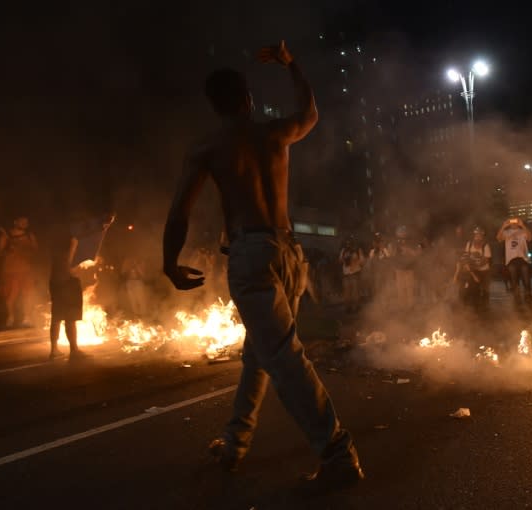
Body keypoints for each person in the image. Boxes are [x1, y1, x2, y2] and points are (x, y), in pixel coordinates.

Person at [162, 40, 363, 489]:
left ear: (214, 106)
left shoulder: (207, 147)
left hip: (252, 256)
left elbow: (179, 212)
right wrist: (292, 66)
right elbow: (310, 113)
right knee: (260, 353)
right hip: (290, 253)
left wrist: (169, 263)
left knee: (284, 358)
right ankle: (234, 444)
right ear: (248, 99)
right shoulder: (274, 133)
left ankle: (336, 454)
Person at [48, 226, 85, 360]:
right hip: (68, 284)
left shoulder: (55, 247)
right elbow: (70, 268)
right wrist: (74, 247)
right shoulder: (70, 247)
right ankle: (74, 350)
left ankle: (53, 350)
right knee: (70, 318)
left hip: (55, 282)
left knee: (56, 317)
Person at [0, 216, 38, 327]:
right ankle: (10, 317)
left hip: (26, 270)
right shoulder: (6, 235)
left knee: (28, 294)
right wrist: (9, 250)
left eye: (26, 222)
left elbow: (35, 251)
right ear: (15, 222)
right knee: (11, 295)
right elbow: (0, 252)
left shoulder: (30, 236)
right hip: (10, 271)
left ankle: (27, 317)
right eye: (22, 221)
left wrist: (25, 251)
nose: (25, 223)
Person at [496, 218, 532, 307]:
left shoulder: (522, 231)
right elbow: (498, 238)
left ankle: (528, 296)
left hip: (523, 258)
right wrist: (503, 226)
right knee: (514, 280)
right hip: (511, 259)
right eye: (512, 222)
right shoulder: (506, 232)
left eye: (516, 221)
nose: (514, 223)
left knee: (526, 279)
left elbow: (530, 237)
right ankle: (517, 299)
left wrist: (522, 225)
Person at [338, 236, 365, 313]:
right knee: (347, 292)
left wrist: (355, 262)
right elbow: (340, 261)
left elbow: (362, 261)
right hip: (346, 274)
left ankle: (356, 307)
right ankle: (348, 308)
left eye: (350, 243)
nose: (348, 244)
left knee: (355, 292)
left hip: (355, 274)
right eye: (347, 243)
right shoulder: (344, 250)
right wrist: (345, 259)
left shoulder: (357, 250)